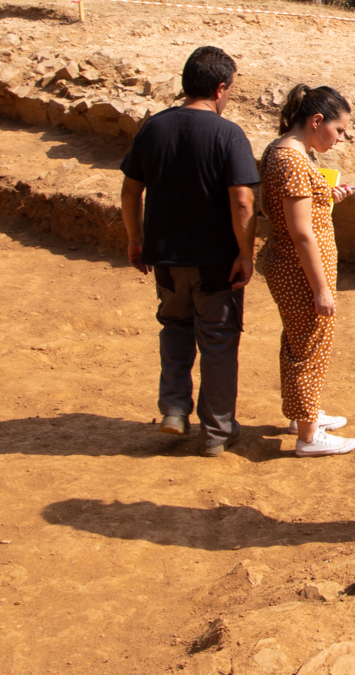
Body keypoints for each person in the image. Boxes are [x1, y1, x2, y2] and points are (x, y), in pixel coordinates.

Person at [120, 46, 260, 456]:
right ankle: (216, 432)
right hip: (215, 262)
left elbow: (130, 191)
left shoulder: (153, 128)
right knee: (218, 341)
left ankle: (175, 410)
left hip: (165, 257)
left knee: (175, 329)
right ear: (220, 88)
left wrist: (135, 239)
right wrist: (245, 253)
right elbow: (242, 200)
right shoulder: (227, 134)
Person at [261, 84, 355, 456]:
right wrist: (320, 289)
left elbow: (286, 206)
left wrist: (325, 195)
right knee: (309, 347)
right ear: (317, 120)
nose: (340, 138)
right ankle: (308, 435)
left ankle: (305, 415)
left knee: (299, 342)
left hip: (291, 266)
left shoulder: (283, 151)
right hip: (299, 271)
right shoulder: (293, 160)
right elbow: (302, 233)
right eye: (338, 129)